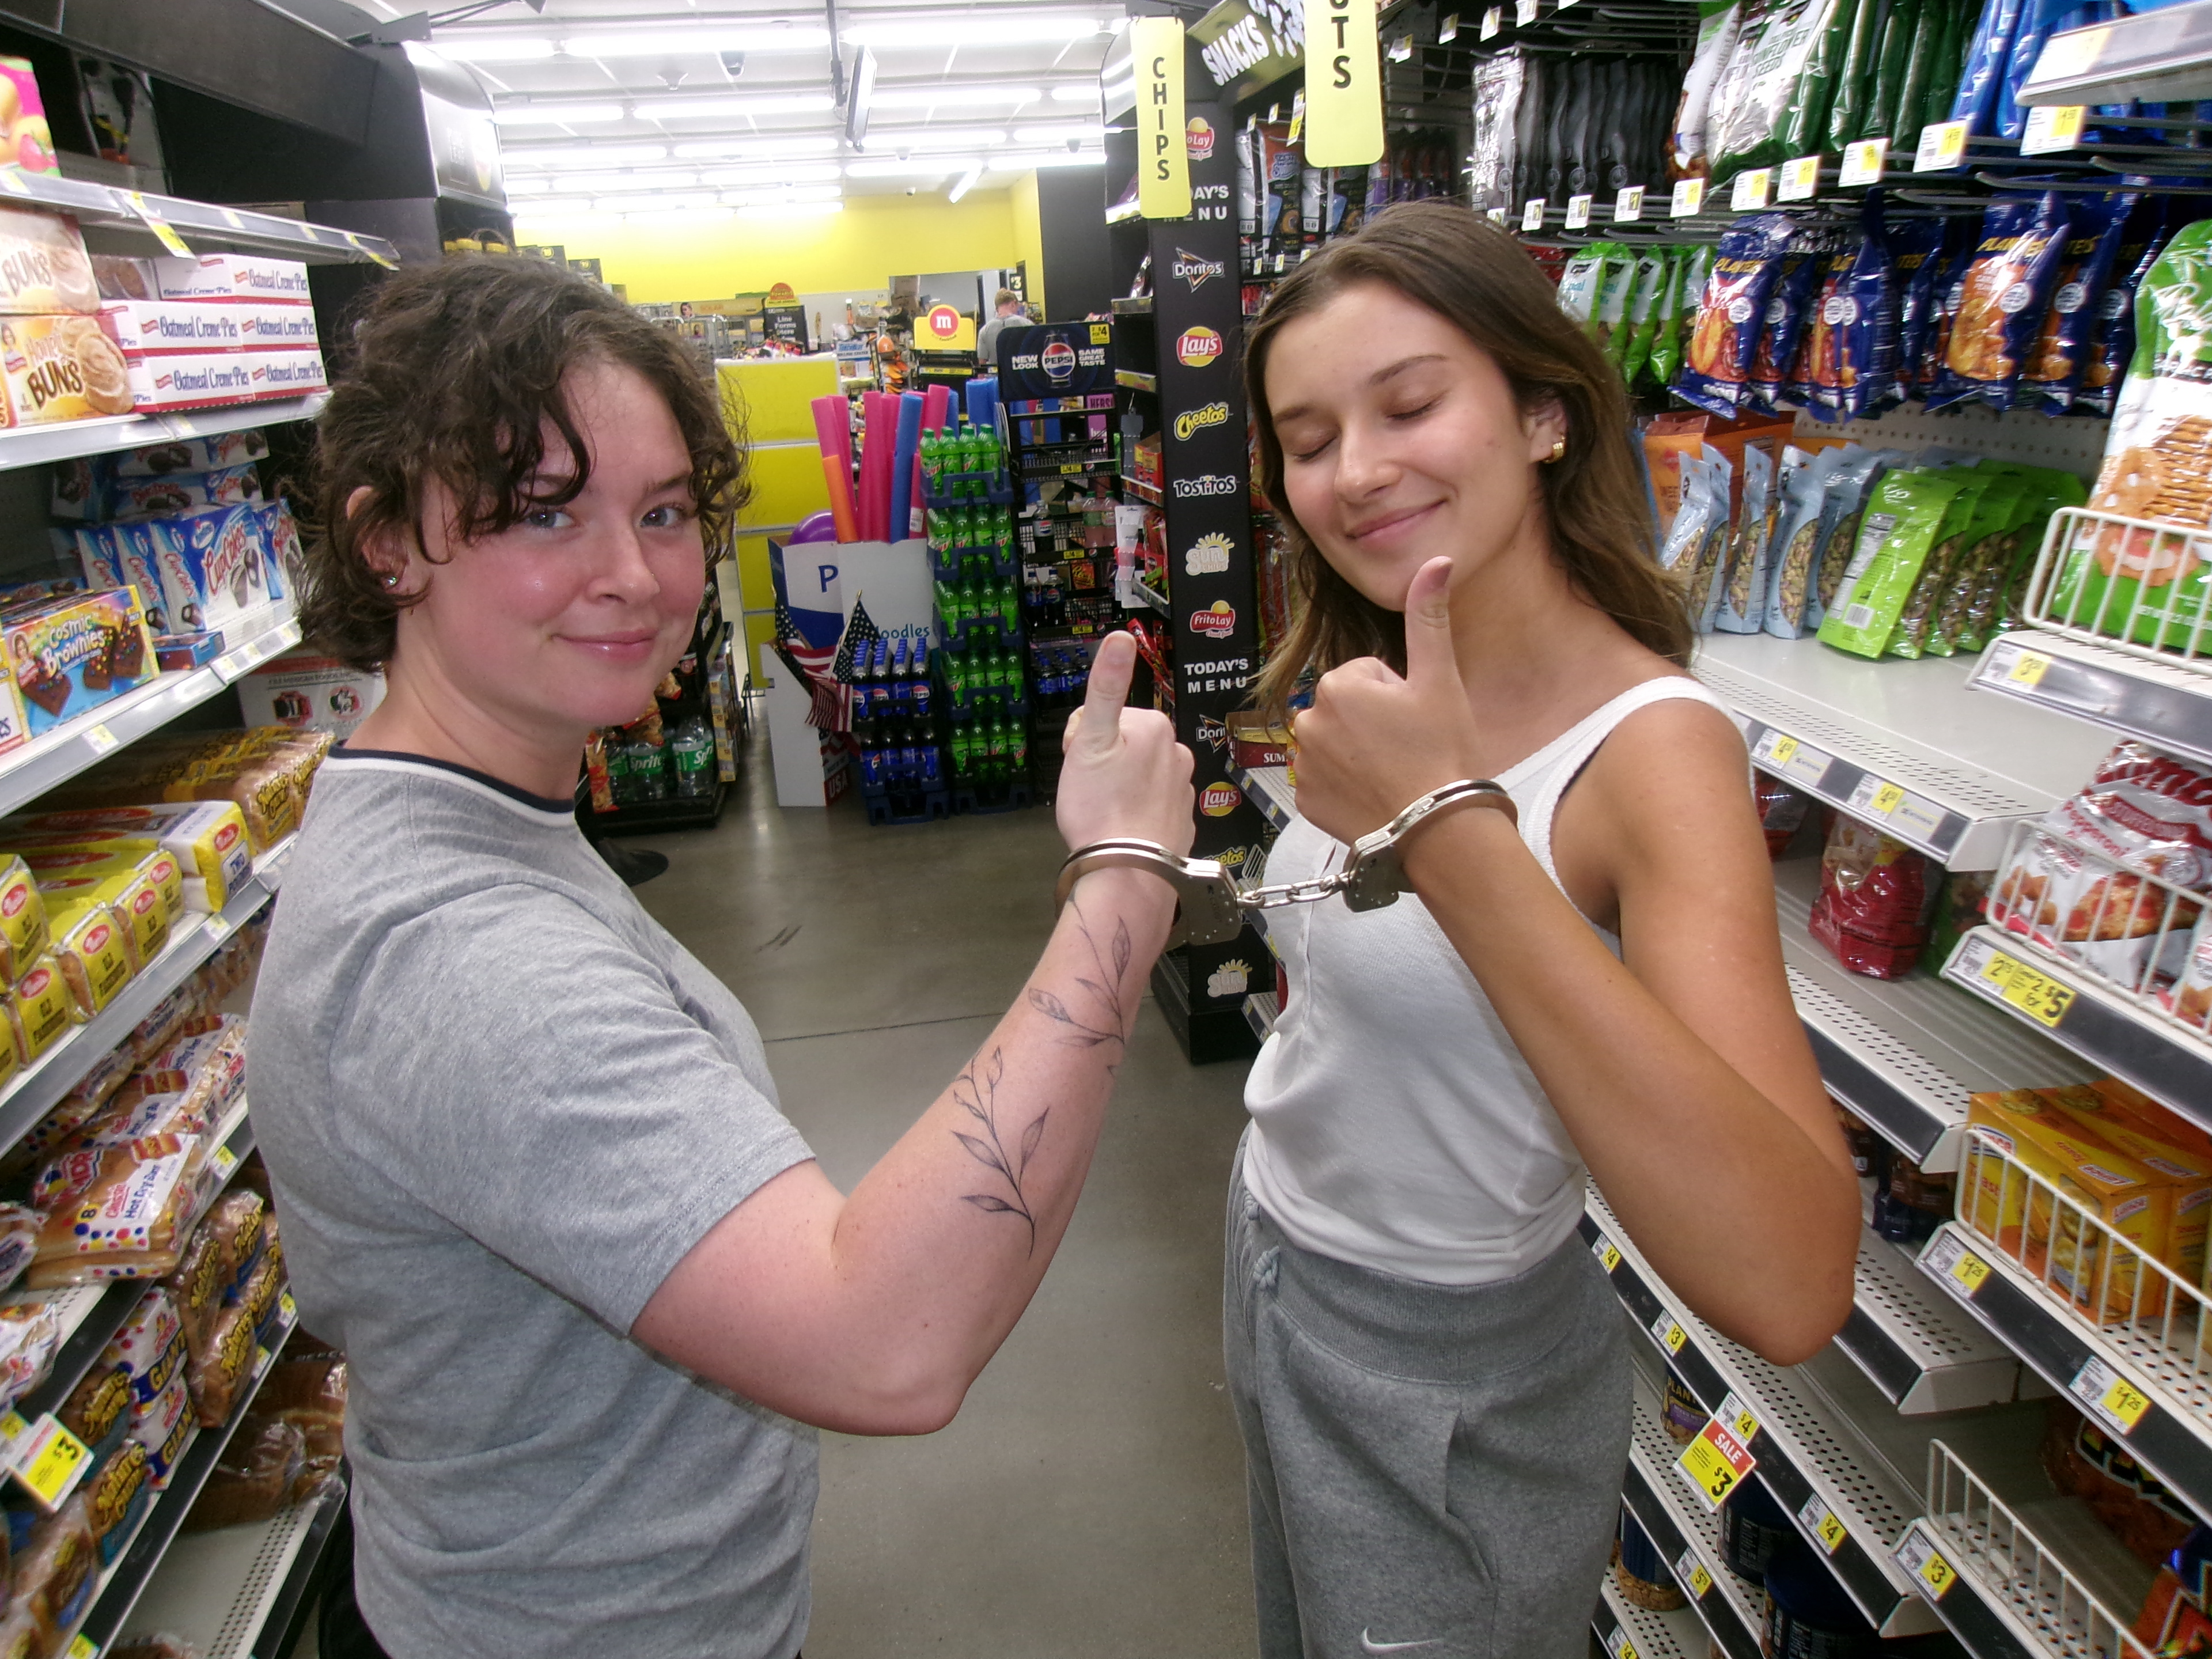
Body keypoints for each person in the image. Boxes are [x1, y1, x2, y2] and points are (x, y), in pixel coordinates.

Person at [248, 257, 1195, 1659]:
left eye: (665, 511)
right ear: (387, 541)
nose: (635, 577)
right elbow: (885, 1341)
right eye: (544, 509)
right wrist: (1123, 881)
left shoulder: (464, 803)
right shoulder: (456, 956)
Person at [1226, 201, 1859, 1659]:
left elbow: (1789, 1280)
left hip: (1447, 1376)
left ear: (1543, 415)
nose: (1354, 472)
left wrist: (1447, 830)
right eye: (1309, 441)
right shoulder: (1388, 672)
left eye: (1408, 406)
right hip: (1274, 1266)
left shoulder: (1653, 749)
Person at [975, 286, 1028, 371]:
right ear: (1013, 304)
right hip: (1020, 376)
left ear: (997, 309)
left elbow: (982, 365)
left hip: (996, 377)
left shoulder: (984, 331)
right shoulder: (1027, 325)